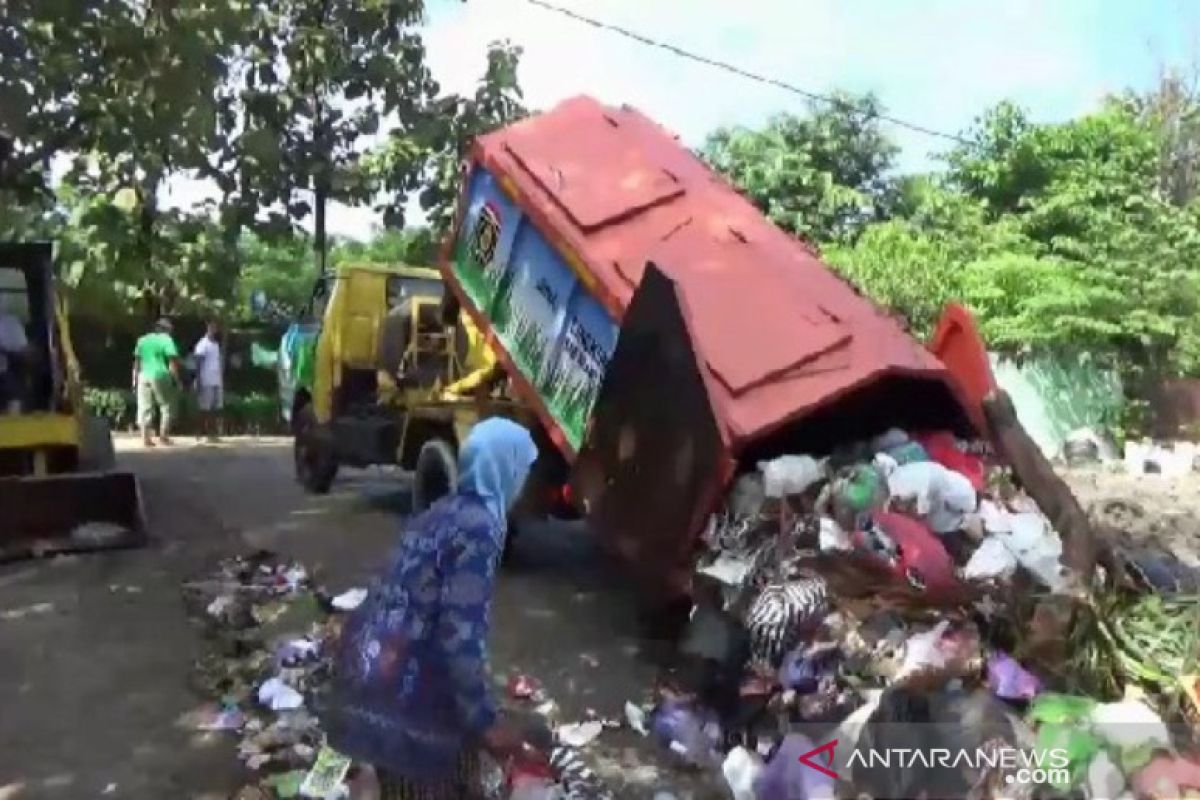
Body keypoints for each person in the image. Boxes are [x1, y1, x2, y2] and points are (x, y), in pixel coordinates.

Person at [325, 417, 540, 799]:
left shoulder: (438, 513)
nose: (526, 483)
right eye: (523, 468)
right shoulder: (480, 527)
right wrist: (484, 721)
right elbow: (460, 636)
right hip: (406, 691)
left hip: (367, 670)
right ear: (506, 467)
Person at [132, 318, 180, 447]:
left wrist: (134, 379)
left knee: (144, 407)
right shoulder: (166, 340)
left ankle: (145, 439)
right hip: (160, 375)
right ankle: (164, 437)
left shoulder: (142, 340)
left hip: (143, 375)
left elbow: (137, 362)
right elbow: (172, 363)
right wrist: (176, 380)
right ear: (166, 330)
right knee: (166, 406)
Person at [192, 320, 224, 442]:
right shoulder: (202, 344)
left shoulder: (215, 344)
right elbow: (198, 363)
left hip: (216, 380)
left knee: (215, 409)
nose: (214, 330)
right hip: (206, 380)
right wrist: (198, 380)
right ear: (208, 328)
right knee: (204, 409)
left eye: (216, 327)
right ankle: (199, 433)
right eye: (212, 327)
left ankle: (212, 434)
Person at [0, 297, 30, 414]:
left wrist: (6, 351)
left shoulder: (9, 324)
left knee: (13, 390)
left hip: (4, 373)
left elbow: (25, 353)